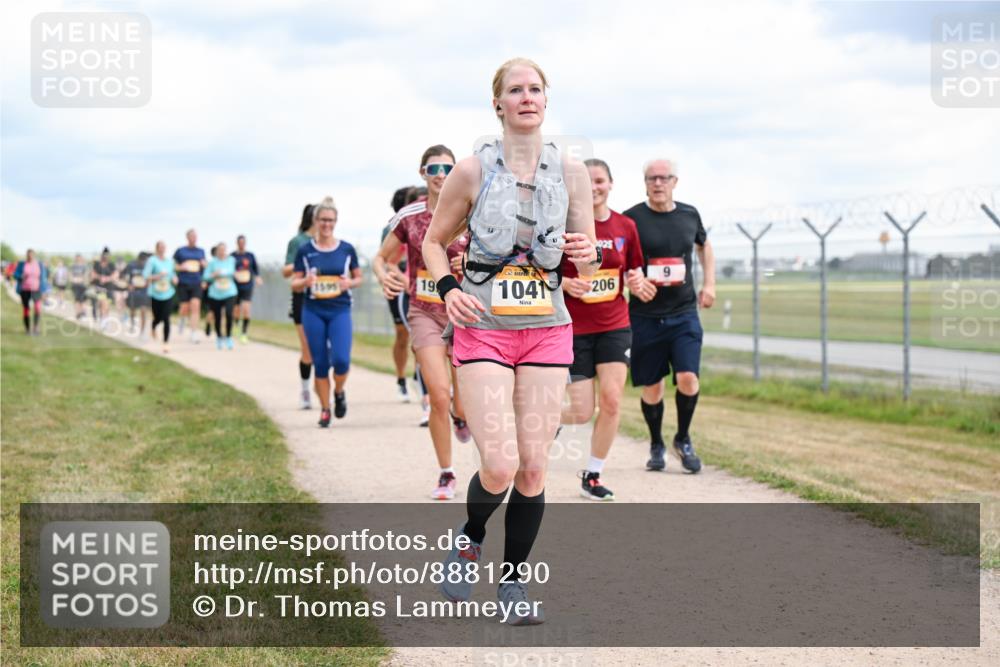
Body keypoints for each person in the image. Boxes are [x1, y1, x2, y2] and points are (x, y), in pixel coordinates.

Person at [423, 58, 597, 624]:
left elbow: (587, 262)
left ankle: (514, 586)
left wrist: (585, 256)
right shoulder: (472, 170)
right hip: (486, 330)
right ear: (497, 104)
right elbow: (433, 242)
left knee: (533, 468)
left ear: (548, 100)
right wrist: (448, 289)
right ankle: (470, 538)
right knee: (498, 465)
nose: (527, 97)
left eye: (536, 89)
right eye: (515, 90)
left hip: (547, 328)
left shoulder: (571, 173)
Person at [374, 145, 472, 501]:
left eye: (448, 167)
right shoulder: (410, 216)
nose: (441, 173)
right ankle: (446, 473)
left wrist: (469, 266)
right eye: (434, 167)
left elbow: (492, 256)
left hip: (464, 314)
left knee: (463, 403)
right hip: (425, 311)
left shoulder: (470, 208)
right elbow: (381, 258)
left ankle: (462, 417)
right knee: (438, 395)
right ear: (422, 173)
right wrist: (384, 274)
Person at [560, 158, 645, 500]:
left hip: (614, 326)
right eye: (587, 182)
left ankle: (593, 475)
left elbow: (636, 271)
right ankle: (546, 419)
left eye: (600, 181)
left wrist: (638, 280)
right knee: (581, 412)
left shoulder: (626, 226)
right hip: (574, 329)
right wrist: (566, 283)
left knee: (611, 401)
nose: (594, 187)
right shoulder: (564, 228)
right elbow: (542, 273)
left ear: (610, 184)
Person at [624, 159, 716, 474]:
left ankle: (683, 438)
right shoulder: (632, 219)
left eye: (664, 178)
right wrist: (632, 281)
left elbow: (704, 247)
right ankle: (656, 443)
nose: (658, 183)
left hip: (683, 312)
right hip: (645, 315)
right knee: (653, 388)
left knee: (688, 378)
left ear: (675, 181)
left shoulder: (689, 214)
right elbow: (618, 261)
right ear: (645, 182)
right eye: (652, 178)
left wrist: (710, 284)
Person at [292, 198, 362, 427]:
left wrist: (348, 283)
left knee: (341, 360)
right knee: (320, 363)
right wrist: (306, 281)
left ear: (336, 221)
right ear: (315, 221)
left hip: (339, 309)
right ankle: (324, 409)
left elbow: (358, 278)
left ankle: (339, 391)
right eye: (322, 220)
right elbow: (294, 284)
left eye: (330, 220)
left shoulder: (346, 249)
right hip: (313, 311)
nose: (326, 224)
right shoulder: (305, 250)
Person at [383, 186, 415, 401]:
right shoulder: (392, 228)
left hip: (420, 283)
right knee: (402, 334)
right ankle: (401, 378)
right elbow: (385, 260)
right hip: (398, 285)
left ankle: (421, 377)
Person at [284, 204, 316, 409]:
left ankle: (324, 389)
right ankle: (305, 389)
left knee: (325, 349)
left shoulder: (329, 242)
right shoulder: (298, 242)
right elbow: (286, 271)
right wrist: (304, 271)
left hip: (325, 300)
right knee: (308, 350)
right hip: (302, 299)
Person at [143, 241, 178, 353]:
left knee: (166, 318)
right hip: (155, 293)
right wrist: (158, 276)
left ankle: (166, 343)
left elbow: (172, 273)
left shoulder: (169, 261)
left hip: (168, 292)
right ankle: (153, 326)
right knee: (158, 317)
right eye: (160, 247)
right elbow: (146, 276)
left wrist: (175, 278)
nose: (162, 249)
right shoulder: (152, 260)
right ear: (157, 248)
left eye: (164, 247)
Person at [173, 229, 206, 342]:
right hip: (184, 282)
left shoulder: (201, 251)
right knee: (184, 308)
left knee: (195, 306)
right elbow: (173, 265)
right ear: (187, 237)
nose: (194, 238)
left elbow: (204, 267)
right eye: (191, 236)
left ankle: (193, 333)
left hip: (196, 282)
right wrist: (180, 268)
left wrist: (204, 268)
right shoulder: (181, 251)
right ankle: (182, 319)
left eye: (195, 236)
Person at [204, 243, 238, 350]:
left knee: (228, 313)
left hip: (229, 292)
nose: (222, 252)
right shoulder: (212, 262)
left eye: (224, 250)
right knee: (217, 316)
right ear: (217, 251)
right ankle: (219, 337)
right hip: (215, 293)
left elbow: (232, 272)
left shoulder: (231, 260)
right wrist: (213, 275)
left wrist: (222, 273)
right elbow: (205, 277)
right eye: (220, 250)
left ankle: (228, 336)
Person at [232, 234, 262, 344]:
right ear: (237, 243)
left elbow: (255, 269)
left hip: (247, 285)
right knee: (236, 310)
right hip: (235, 286)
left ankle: (244, 333)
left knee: (246, 309)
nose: (241, 245)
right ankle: (236, 325)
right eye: (240, 243)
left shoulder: (250, 255)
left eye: (243, 243)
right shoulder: (232, 256)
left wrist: (258, 278)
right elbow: (229, 269)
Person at [14, 249, 48, 335]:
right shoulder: (22, 264)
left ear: (34, 255)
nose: (30, 257)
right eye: (28, 255)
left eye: (32, 255)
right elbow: (15, 274)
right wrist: (21, 276)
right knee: (26, 309)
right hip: (24, 289)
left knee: (37, 308)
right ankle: (27, 329)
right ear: (27, 255)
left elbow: (43, 278)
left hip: (36, 289)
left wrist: (44, 291)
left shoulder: (39, 265)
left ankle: (35, 328)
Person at [123, 252, 151, 337]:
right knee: (133, 310)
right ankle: (132, 325)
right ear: (138, 259)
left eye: (145, 261)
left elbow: (150, 276)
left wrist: (149, 283)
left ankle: (142, 331)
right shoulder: (131, 265)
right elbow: (124, 275)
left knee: (143, 310)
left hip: (144, 290)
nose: (143, 262)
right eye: (142, 261)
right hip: (133, 291)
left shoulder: (148, 266)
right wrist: (128, 284)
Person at [90, 248, 116, 325]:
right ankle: (103, 320)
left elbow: (115, 275)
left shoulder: (111, 265)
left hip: (109, 288)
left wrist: (107, 279)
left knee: (107, 305)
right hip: (100, 287)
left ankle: (105, 319)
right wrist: (100, 277)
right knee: (102, 303)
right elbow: (93, 274)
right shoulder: (97, 264)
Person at [69, 254, 89, 320]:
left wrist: (81, 279)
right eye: (77, 258)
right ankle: (78, 313)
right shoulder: (73, 266)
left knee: (83, 300)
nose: (78, 259)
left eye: (79, 258)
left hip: (83, 285)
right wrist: (73, 279)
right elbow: (70, 275)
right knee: (77, 300)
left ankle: (83, 313)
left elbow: (86, 275)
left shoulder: (84, 266)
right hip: (75, 285)